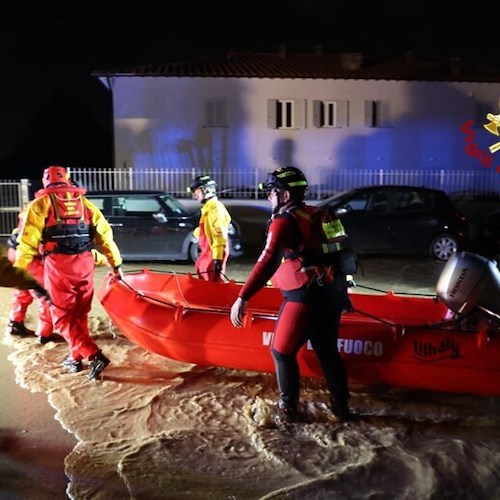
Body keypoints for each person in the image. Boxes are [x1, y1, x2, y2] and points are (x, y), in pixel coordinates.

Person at [230, 166, 352, 425]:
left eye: (271, 192)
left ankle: (288, 412)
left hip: (303, 297)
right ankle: (341, 409)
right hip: (332, 294)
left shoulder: (284, 222)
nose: (268, 198)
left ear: (284, 195)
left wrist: (243, 296)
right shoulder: (322, 215)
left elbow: (267, 261)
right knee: (327, 352)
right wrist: (344, 294)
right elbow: (343, 255)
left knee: (282, 352)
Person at [14, 166, 123, 380]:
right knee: (80, 315)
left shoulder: (40, 205)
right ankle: (75, 359)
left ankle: (93, 356)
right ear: (68, 179)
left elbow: (27, 243)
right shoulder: (86, 204)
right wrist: (116, 264)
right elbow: (105, 236)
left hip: (59, 266)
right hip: (85, 264)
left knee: (62, 317)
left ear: (46, 182)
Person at [5, 208, 59, 344]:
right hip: (32, 259)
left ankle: (15, 323)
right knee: (45, 296)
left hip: (16, 255)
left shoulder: (28, 212)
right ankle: (44, 334)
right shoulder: (46, 213)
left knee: (22, 291)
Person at [187, 174, 231, 282]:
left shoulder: (214, 209)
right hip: (208, 251)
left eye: (196, 192)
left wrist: (217, 258)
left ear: (206, 190)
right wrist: (197, 233)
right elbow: (208, 228)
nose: (195, 196)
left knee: (212, 283)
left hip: (213, 252)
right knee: (202, 272)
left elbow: (218, 234)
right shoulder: (209, 208)